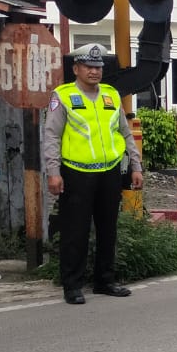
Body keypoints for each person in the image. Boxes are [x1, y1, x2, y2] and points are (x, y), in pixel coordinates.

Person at [41, 44, 143, 305]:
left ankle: (105, 280)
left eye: (98, 67)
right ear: (76, 69)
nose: (94, 71)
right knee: (75, 232)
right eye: (89, 66)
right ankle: (72, 286)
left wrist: (136, 166)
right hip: (76, 173)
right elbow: (51, 136)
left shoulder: (111, 95)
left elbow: (125, 132)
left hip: (109, 172)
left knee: (108, 229)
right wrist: (53, 172)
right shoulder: (63, 96)